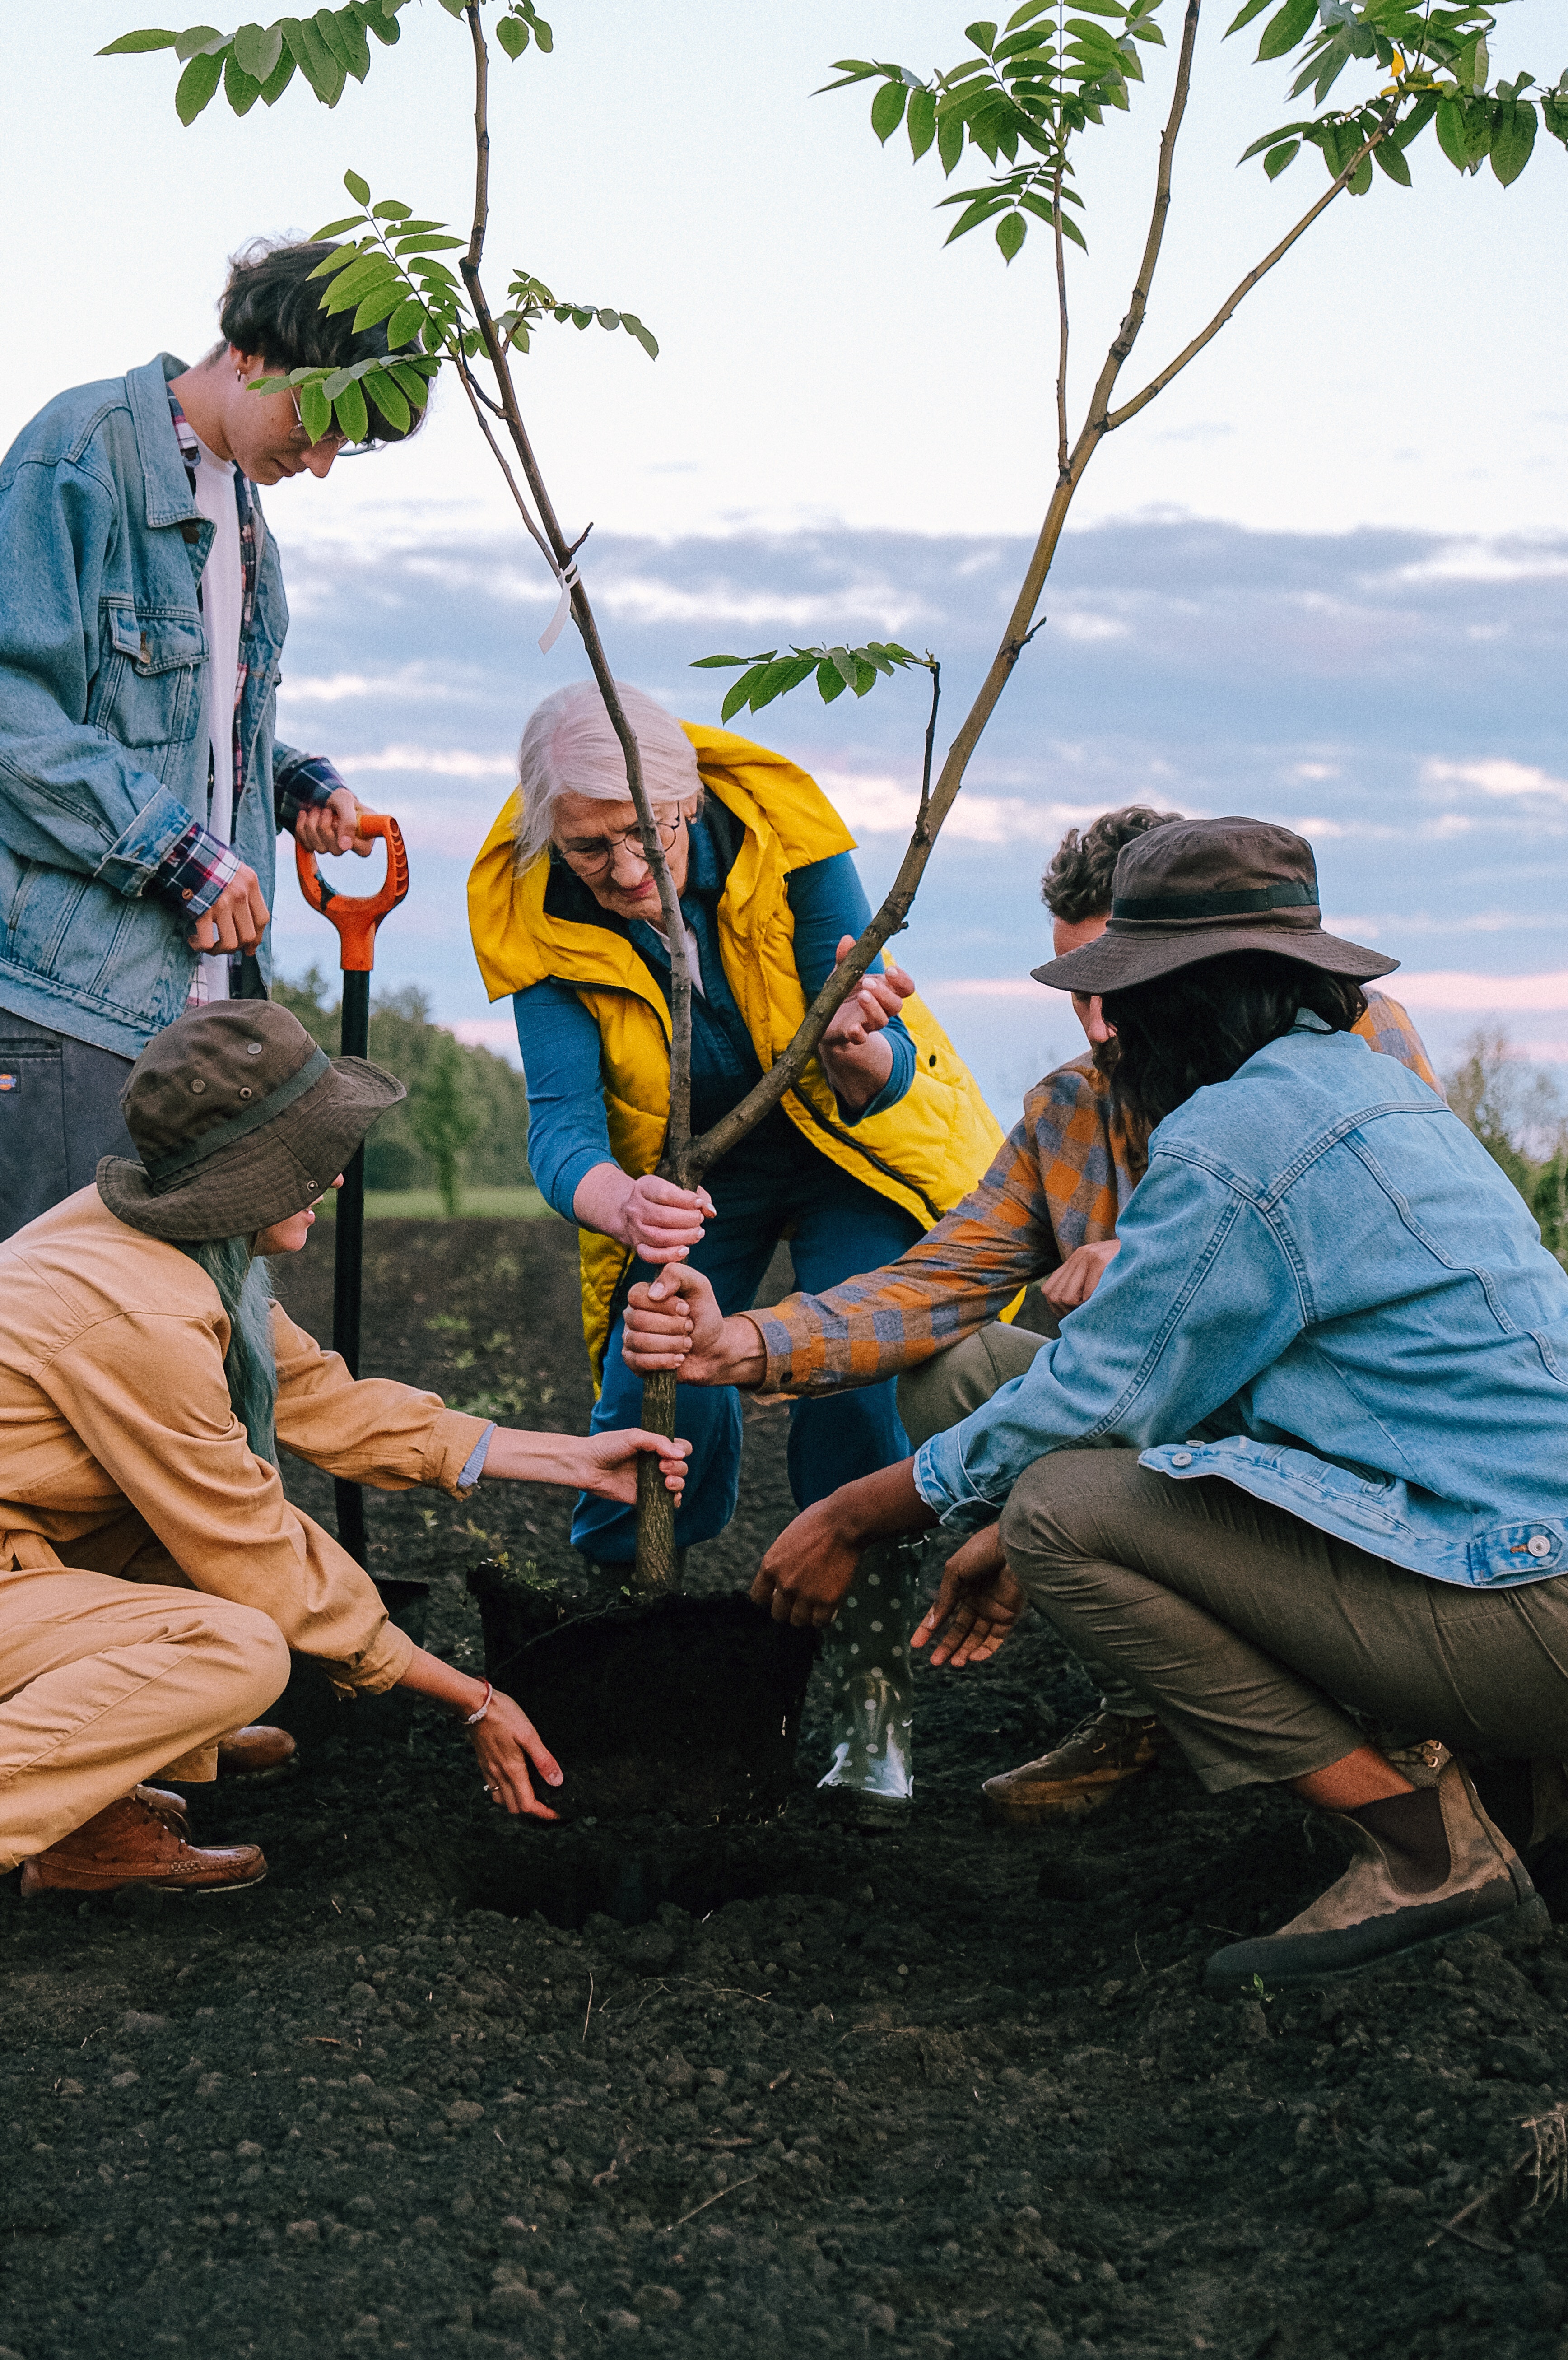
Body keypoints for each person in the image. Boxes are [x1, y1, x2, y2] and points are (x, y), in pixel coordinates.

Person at [741, 816, 1568, 1994]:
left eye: (1127, 1001)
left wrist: (860, 1514)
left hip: (1532, 1603)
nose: (1112, 1032)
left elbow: (1101, 1396)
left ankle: (1429, 1850)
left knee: (1065, 1515)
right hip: (1522, 1554)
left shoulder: (1238, 1136)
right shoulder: (1380, 1098)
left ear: (1187, 1003)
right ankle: (1520, 1789)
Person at [0, 1002, 689, 2001]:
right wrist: (473, 1699)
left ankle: (83, 1823)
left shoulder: (193, 1258)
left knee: (168, 1556)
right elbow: (254, 1546)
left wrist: (573, 1460)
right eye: (314, 1155)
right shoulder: (137, 1309)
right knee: (235, 1647)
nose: (336, 1176)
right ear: (251, 1173)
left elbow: (327, 1401)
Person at [623, 806, 1442, 1825]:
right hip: (1152, 1436)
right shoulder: (1072, 1110)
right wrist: (741, 1341)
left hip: (1341, 1441)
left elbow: (1377, 1259)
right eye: (1079, 989)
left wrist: (1162, 1259)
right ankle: (1142, 1702)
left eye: (1121, 983)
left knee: (1060, 1490)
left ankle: (1405, 1725)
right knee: (949, 1367)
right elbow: (936, 1283)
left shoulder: (1351, 1047)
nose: (1101, 1023)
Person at [467, 680, 1003, 1801]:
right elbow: (560, 1128)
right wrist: (620, 1202)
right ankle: (630, 1649)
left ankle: (866, 1703)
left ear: (692, 802)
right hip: (683, 1179)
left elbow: (877, 1064)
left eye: (638, 840)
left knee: (852, 1380)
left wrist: (861, 1049)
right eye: (586, 848)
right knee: (655, 1378)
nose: (619, 874)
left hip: (841, 1148)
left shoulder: (788, 834)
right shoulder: (531, 904)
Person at [0, 235, 417, 1261]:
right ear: (248, 352)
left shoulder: (243, 511)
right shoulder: (81, 451)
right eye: (320, 422)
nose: (323, 463)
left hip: (205, 1007)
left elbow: (189, 728)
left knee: (196, 1335)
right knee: (61, 1333)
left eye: (352, 445)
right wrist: (178, 854)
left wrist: (293, 783)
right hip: (67, 993)